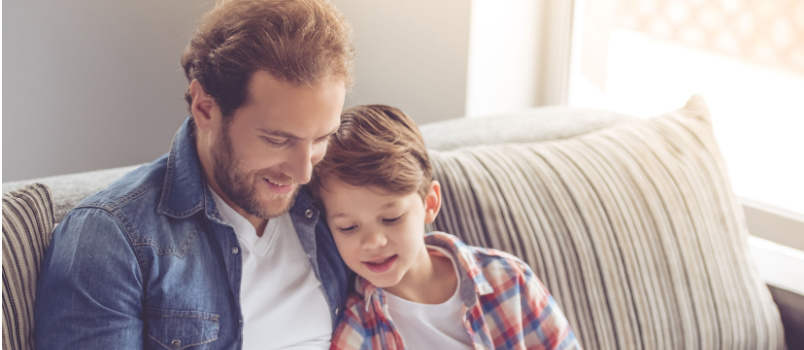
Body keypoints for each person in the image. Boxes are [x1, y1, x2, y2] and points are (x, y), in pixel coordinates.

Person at [34, 0, 354, 348]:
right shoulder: (110, 239)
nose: (304, 172)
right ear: (205, 108)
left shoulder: (335, 198)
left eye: (322, 138)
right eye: (277, 140)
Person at [310, 105, 581, 350]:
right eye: (348, 227)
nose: (372, 242)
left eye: (391, 219)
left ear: (430, 203)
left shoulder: (510, 281)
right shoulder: (355, 333)